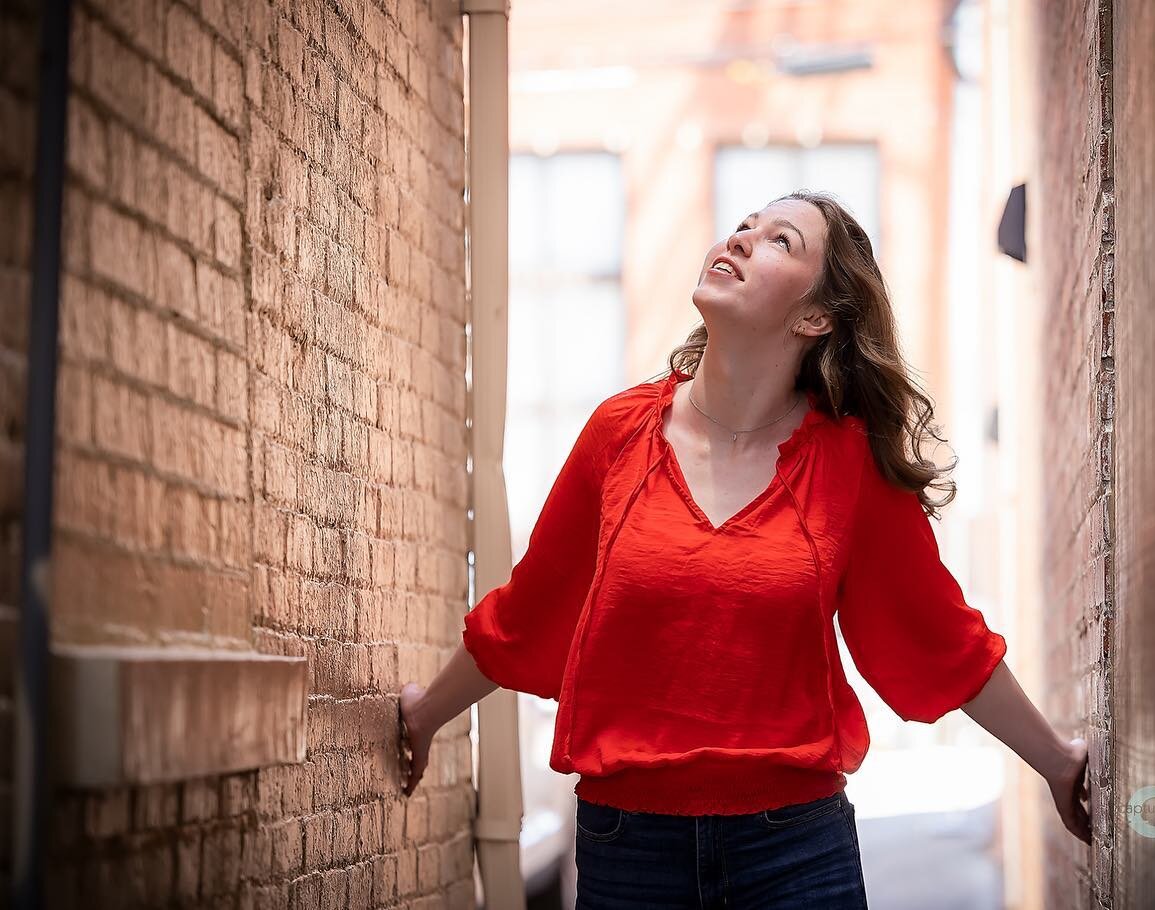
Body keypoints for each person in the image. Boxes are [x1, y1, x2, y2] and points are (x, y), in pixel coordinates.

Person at [397, 190, 1092, 907]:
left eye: (778, 241)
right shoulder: (618, 436)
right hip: (627, 855)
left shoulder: (846, 464)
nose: (738, 240)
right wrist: (423, 716)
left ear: (814, 316)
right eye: (741, 227)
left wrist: (1056, 761)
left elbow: (939, 637)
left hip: (794, 854)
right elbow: (531, 612)